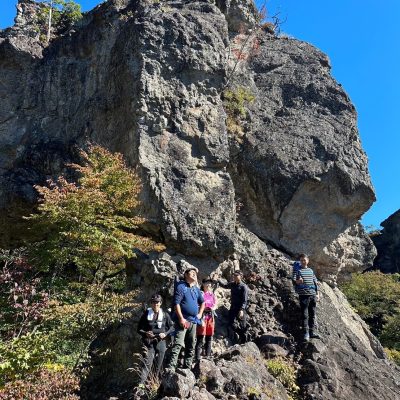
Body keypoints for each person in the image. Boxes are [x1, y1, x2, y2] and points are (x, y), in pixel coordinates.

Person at [167, 265, 205, 371]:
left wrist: (200, 314)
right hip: (183, 320)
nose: (194, 274)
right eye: (192, 273)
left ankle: (187, 368)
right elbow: (176, 304)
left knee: (191, 344)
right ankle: (171, 368)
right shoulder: (181, 287)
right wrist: (180, 318)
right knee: (178, 343)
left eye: (195, 274)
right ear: (186, 275)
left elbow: (202, 302)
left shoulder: (196, 289)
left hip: (193, 321)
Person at [137, 294, 174, 384]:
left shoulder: (165, 314)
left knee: (159, 365)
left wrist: (165, 333)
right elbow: (138, 329)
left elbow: (172, 327)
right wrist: (146, 333)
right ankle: (140, 386)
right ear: (151, 303)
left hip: (161, 342)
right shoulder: (146, 314)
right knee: (147, 364)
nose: (155, 304)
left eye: (157, 302)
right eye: (153, 302)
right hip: (149, 342)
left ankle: (154, 384)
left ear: (160, 303)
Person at [292, 253, 321, 341]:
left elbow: (315, 282)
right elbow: (293, 280)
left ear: (308, 261)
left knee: (312, 314)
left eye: (304, 260)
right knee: (304, 315)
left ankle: (311, 332)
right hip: (303, 295)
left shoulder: (311, 271)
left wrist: (318, 294)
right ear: (300, 261)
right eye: (301, 260)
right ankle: (306, 334)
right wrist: (298, 281)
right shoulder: (297, 271)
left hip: (312, 295)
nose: (303, 262)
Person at [195, 279, 217, 360]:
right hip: (202, 318)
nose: (208, 285)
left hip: (210, 318)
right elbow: (197, 304)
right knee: (200, 338)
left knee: (209, 338)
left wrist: (212, 308)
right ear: (203, 284)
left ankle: (207, 356)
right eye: (206, 283)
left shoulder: (212, 294)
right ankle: (197, 358)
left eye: (209, 283)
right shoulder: (200, 294)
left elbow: (215, 304)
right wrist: (203, 309)